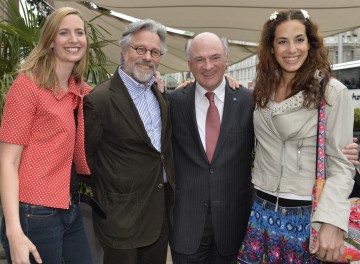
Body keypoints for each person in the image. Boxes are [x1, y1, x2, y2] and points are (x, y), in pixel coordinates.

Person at [237, 9, 355, 263]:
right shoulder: (262, 90)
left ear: (310, 44)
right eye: (282, 41)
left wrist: (331, 221)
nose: (292, 49)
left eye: (299, 39)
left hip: (308, 216)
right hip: (261, 212)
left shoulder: (332, 92)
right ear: (271, 48)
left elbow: (342, 166)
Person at [0, 7, 93, 264]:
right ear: (51, 41)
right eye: (64, 33)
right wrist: (13, 231)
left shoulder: (79, 89)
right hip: (34, 211)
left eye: (79, 32)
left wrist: (154, 84)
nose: (74, 39)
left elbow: (117, 94)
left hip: (70, 207)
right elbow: (7, 162)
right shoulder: (28, 86)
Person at [83, 19, 175, 264]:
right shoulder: (99, 100)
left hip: (159, 214)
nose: (147, 57)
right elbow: (84, 160)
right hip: (120, 220)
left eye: (154, 52)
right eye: (140, 49)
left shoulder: (160, 95)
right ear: (124, 51)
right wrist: (112, 193)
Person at [168, 32, 255, 263]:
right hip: (186, 224)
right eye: (199, 59)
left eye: (215, 57)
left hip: (234, 222)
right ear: (189, 65)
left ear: (227, 59)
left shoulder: (249, 101)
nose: (208, 66)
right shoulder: (172, 102)